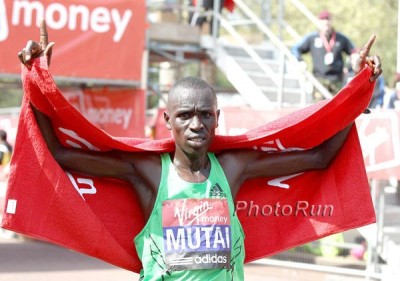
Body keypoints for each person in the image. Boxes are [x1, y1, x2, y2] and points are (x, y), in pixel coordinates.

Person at [18, 21, 381, 280]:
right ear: (168, 120)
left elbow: (318, 158)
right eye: (185, 115)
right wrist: (35, 78)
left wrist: (355, 92)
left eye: (205, 114)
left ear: (217, 118)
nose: (196, 124)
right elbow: (61, 154)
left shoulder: (235, 167)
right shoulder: (147, 171)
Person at [292, 10, 356, 101]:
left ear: (331, 21)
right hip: (319, 80)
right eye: (323, 19)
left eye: (328, 19)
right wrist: (300, 60)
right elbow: (295, 49)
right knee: (318, 109)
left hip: (336, 80)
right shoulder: (312, 38)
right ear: (319, 21)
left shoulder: (341, 39)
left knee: (336, 108)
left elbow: (354, 52)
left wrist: (349, 68)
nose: (326, 21)